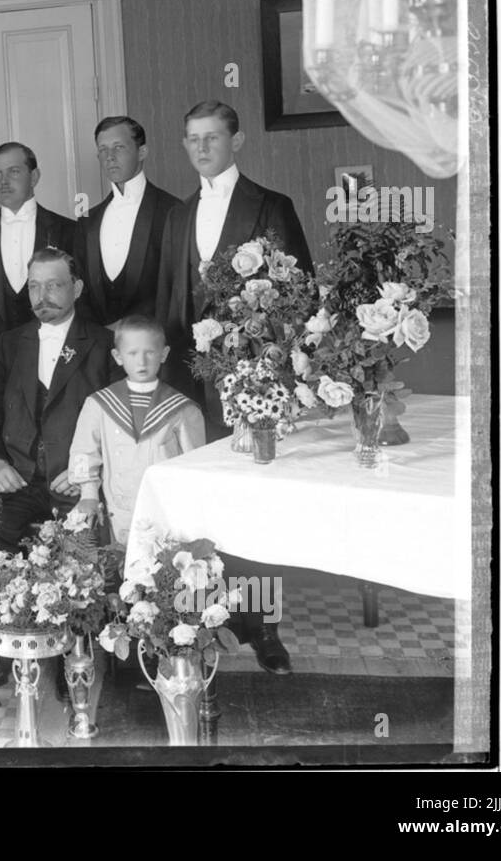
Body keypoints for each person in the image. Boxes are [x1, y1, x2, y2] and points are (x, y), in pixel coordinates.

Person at [155, 100, 315, 677]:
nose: (202, 149)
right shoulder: (177, 215)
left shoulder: (270, 205)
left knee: (251, 502)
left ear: (236, 141)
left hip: (248, 379)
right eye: (192, 139)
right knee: (197, 502)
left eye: (213, 138)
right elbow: (166, 300)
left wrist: (268, 360)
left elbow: (300, 293)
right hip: (186, 381)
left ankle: (262, 628)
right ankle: (197, 618)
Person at [0, 248, 120, 708]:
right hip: (20, 482)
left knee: (82, 557)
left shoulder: (101, 343)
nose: (42, 295)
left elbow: (121, 426)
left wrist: (90, 472)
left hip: (77, 487)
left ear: (77, 288)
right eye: (34, 285)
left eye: (53, 285)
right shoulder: (11, 344)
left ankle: (77, 668)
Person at [68, 315, 205, 552]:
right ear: (118, 357)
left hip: (166, 509)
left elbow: (195, 466)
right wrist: (88, 493)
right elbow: (84, 450)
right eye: (132, 353)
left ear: (164, 354)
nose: (141, 361)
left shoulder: (182, 409)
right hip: (118, 509)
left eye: (150, 352)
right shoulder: (99, 404)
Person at [72, 116, 181, 328]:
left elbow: (176, 288)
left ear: (142, 152)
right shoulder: (87, 221)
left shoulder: (173, 211)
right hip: (100, 349)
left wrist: (129, 327)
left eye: (118, 147)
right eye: (103, 150)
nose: (109, 157)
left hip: (156, 346)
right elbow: (79, 289)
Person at [0, 142, 76, 351]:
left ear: (34, 177)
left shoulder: (69, 230)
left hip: (56, 356)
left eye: (14, 172)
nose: (3, 181)